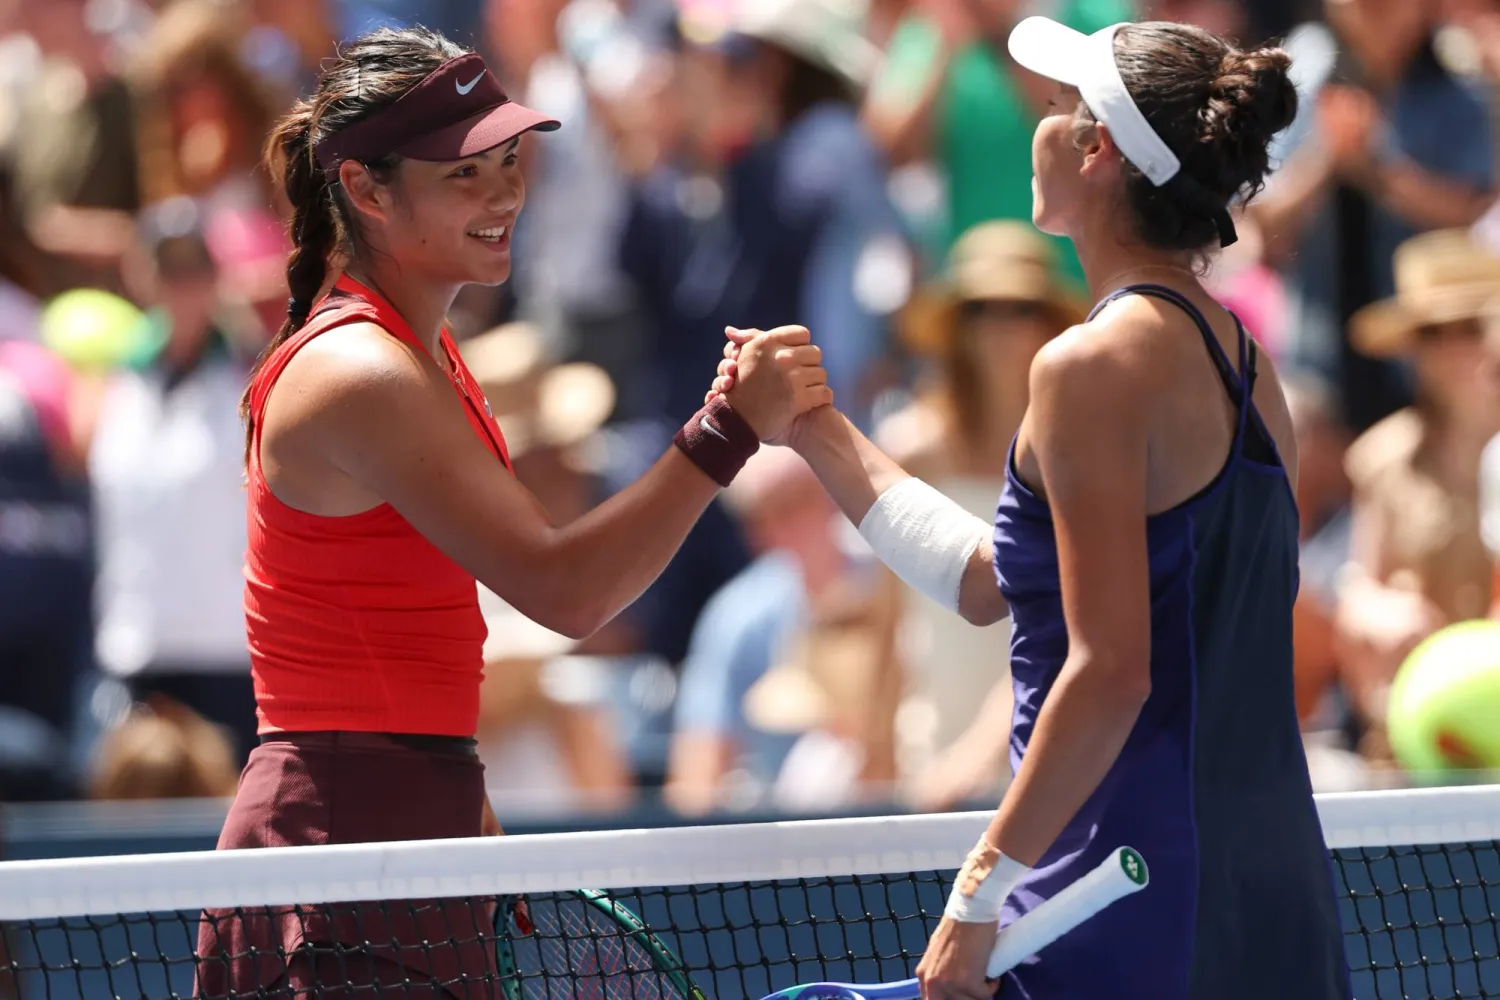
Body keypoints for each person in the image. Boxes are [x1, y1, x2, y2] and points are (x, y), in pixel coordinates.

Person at [713, 15, 1350, 999]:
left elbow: (1110, 672)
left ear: (1097, 150)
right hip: (1271, 897)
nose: (1039, 127)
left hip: (1128, 897)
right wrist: (814, 427)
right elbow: (990, 582)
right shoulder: (1250, 365)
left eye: (1058, 110)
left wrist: (978, 888)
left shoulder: (1090, 366)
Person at [193, 24, 830, 1000]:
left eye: (509, 163)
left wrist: (469, 816)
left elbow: (412, 629)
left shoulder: (424, 360)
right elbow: (566, 589)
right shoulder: (363, 370)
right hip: (338, 855)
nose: (505, 196)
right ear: (366, 189)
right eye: (464, 175)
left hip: (415, 834)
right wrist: (725, 429)